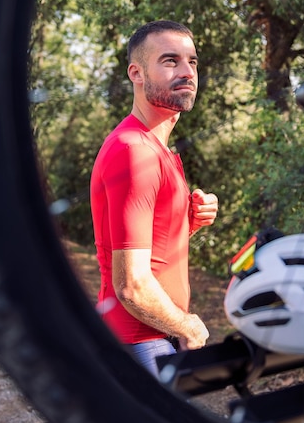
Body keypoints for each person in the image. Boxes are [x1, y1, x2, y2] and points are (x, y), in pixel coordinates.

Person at [90, 20, 219, 377]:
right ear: (137, 73)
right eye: (170, 60)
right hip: (141, 341)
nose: (187, 72)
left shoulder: (154, 147)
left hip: (155, 336)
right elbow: (131, 286)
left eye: (192, 62)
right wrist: (187, 326)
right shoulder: (135, 150)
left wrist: (189, 221)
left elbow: (149, 247)